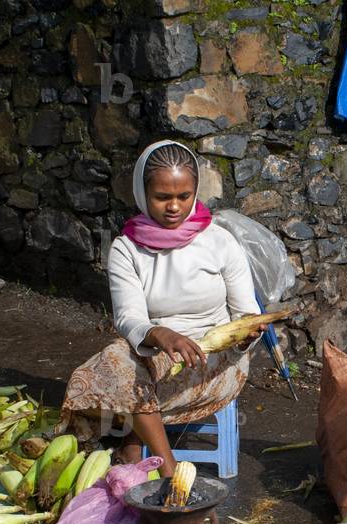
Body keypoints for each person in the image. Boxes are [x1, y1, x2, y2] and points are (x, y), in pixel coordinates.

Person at [57, 140, 265, 477]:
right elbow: (128, 318)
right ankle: (169, 468)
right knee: (112, 364)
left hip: (215, 360)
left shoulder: (220, 241)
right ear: (142, 193)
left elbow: (246, 314)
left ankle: (135, 437)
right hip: (151, 353)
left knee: (123, 388)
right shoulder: (127, 249)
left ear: (195, 191)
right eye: (162, 197)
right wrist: (161, 334)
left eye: (184, 196)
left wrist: (245, 337)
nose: (174, 207)